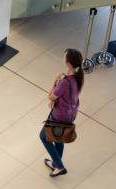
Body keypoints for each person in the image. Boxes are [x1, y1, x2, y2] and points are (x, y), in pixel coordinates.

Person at [40, 48, 84, 178]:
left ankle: (59, 166)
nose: (63, 58)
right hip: (71, 115)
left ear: (68, 63)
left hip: (59, 116)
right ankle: (55, 163)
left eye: (64, 57)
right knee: (59, 138)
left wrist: (55, 80)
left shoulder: (64, 82)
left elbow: (51, 97)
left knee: (44, 137)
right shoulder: (78, 78)